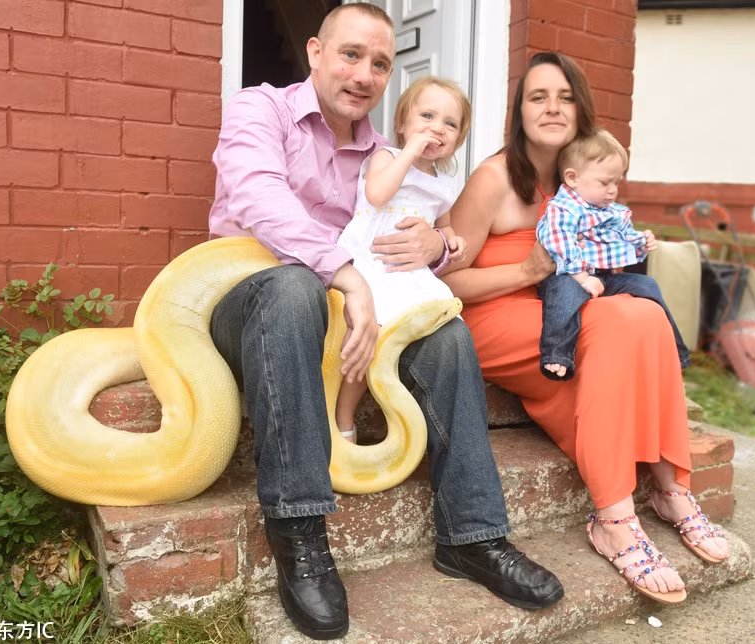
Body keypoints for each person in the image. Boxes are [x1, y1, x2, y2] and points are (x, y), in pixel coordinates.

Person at [207, 4, 563, 640]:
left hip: (352, 310)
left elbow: (423, 229)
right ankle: (300, 534)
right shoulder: (261, 109)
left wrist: (438, 246)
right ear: (315, 52)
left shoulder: (387, 155)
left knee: (447, 333)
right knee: (294, 288)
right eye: (351, 54)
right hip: (253, 299)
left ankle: (473, 536)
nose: (364, 74)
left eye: (379, 63)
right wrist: (345, 275)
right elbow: (260, 198)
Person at [442, 51, 729, 607]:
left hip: (565, 310)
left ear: (582, 110)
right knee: (616, 322)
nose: (552, 107)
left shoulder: (585, 180)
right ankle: (613, 521)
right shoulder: (494, 179)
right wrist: (527, 271)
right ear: (519, 112)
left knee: (644, 310)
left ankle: (671, 487)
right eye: (538, 96)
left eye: (565, 97)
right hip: (496, 315)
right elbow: (448, 282)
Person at [334, 76, 469, 442]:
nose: (437, 128)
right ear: (402, 124)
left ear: (458, 139)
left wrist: (452, 240)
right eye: (427, 116)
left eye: (450, 123)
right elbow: (377, 194)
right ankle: (343, 417)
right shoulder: (387, 157)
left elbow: (444, 224)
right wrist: (409, 152)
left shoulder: (444, 182)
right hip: (372, 263)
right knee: (366, 337)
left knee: (439, 328)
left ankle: (408, 414)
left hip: (409, 272)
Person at [535, 127, 691, 380]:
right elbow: (559, 241)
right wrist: (581, 277)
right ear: (573, 178)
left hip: (604, 277)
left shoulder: (611, 211)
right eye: (604, 182)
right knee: (564, 294)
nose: (612, 190)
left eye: (616, 182)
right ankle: (557, 353)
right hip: (567, 276)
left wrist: (641, 242)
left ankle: (675, 351)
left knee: (647, 284)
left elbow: (622, 239)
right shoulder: (564, 208)